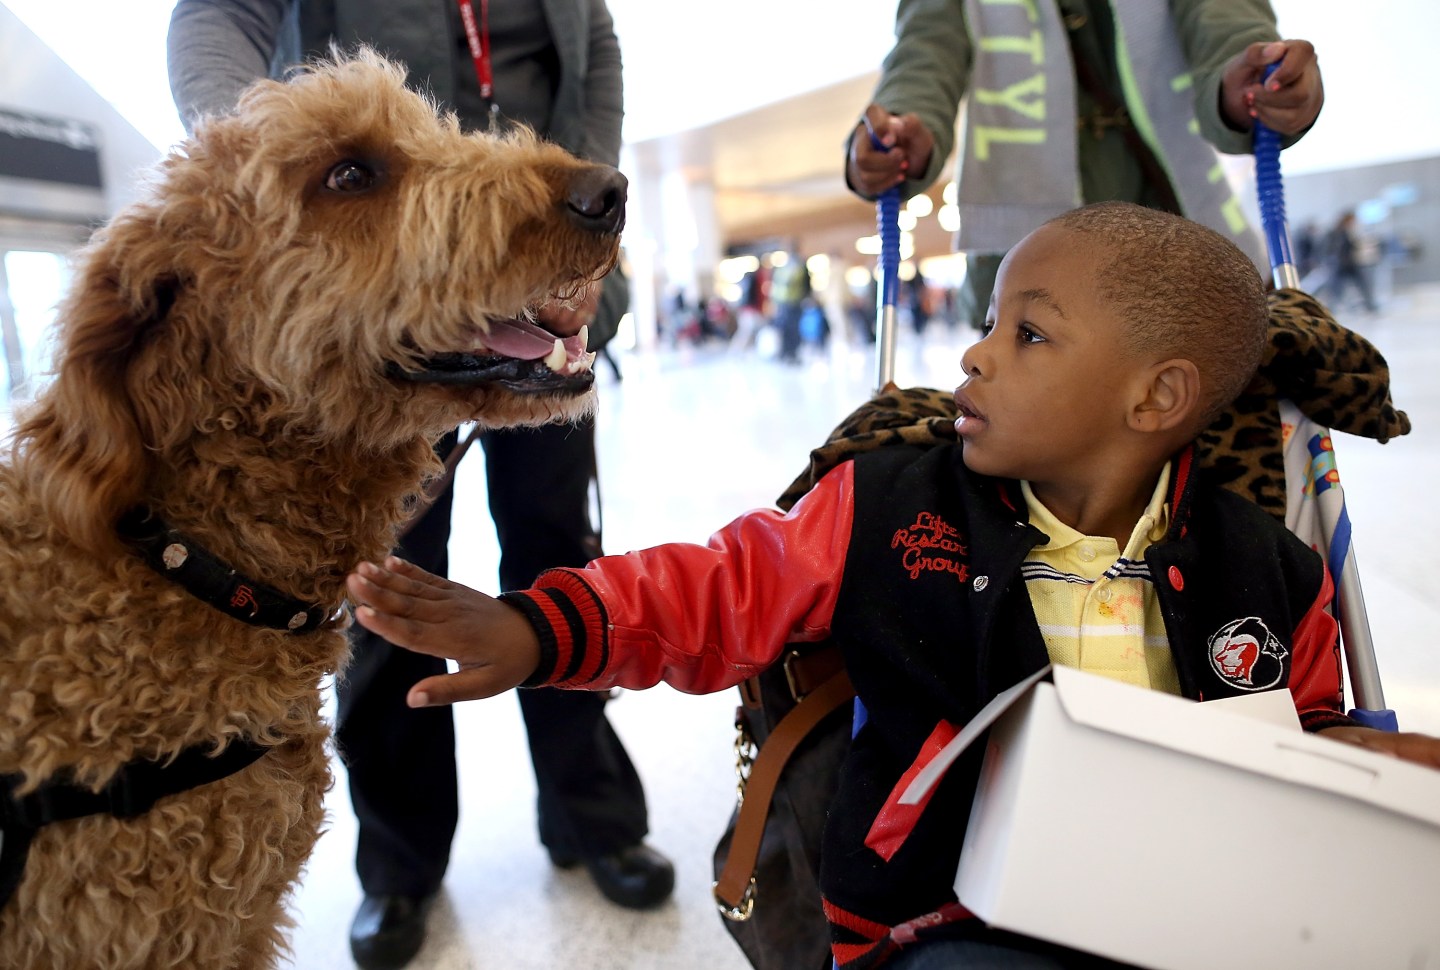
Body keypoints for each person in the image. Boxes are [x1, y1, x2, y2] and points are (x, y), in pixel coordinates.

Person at [343, 202, 1440, 969]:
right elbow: (715, 591)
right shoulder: (889, 507)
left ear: (1156, 397)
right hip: (939, 915)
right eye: (987, 323)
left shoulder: (1271, 574)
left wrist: (1350, 756)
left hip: (1187, 915)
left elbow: (1302, 745)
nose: (971, 357)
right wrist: (540, 629)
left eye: (1028, 333)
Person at [167, 2, 674, 968]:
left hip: (538, 292)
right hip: (383, 304)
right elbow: (218, 14)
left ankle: (594, 818)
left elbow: (596, 45)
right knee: (378, 598)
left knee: (567, 562)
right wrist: (254, 162)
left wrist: (570, 198)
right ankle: (399, 866)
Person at [845, 0, 1325, 329]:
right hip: (1025, 285)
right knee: (1039, 466)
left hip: (1187, 262)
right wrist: (902, 129)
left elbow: (1227, 25)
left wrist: (1260, 78)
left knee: (1213, 466)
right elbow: (925, 55)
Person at [1321, 210, 1381, 314]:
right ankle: (1330, 309)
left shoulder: (1348, 232)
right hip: (1341, 265)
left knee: (1363, 286)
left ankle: (1370, 306)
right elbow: (1333, 249)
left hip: (1351, 264)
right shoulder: (1337, 233)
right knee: (1337, 289)